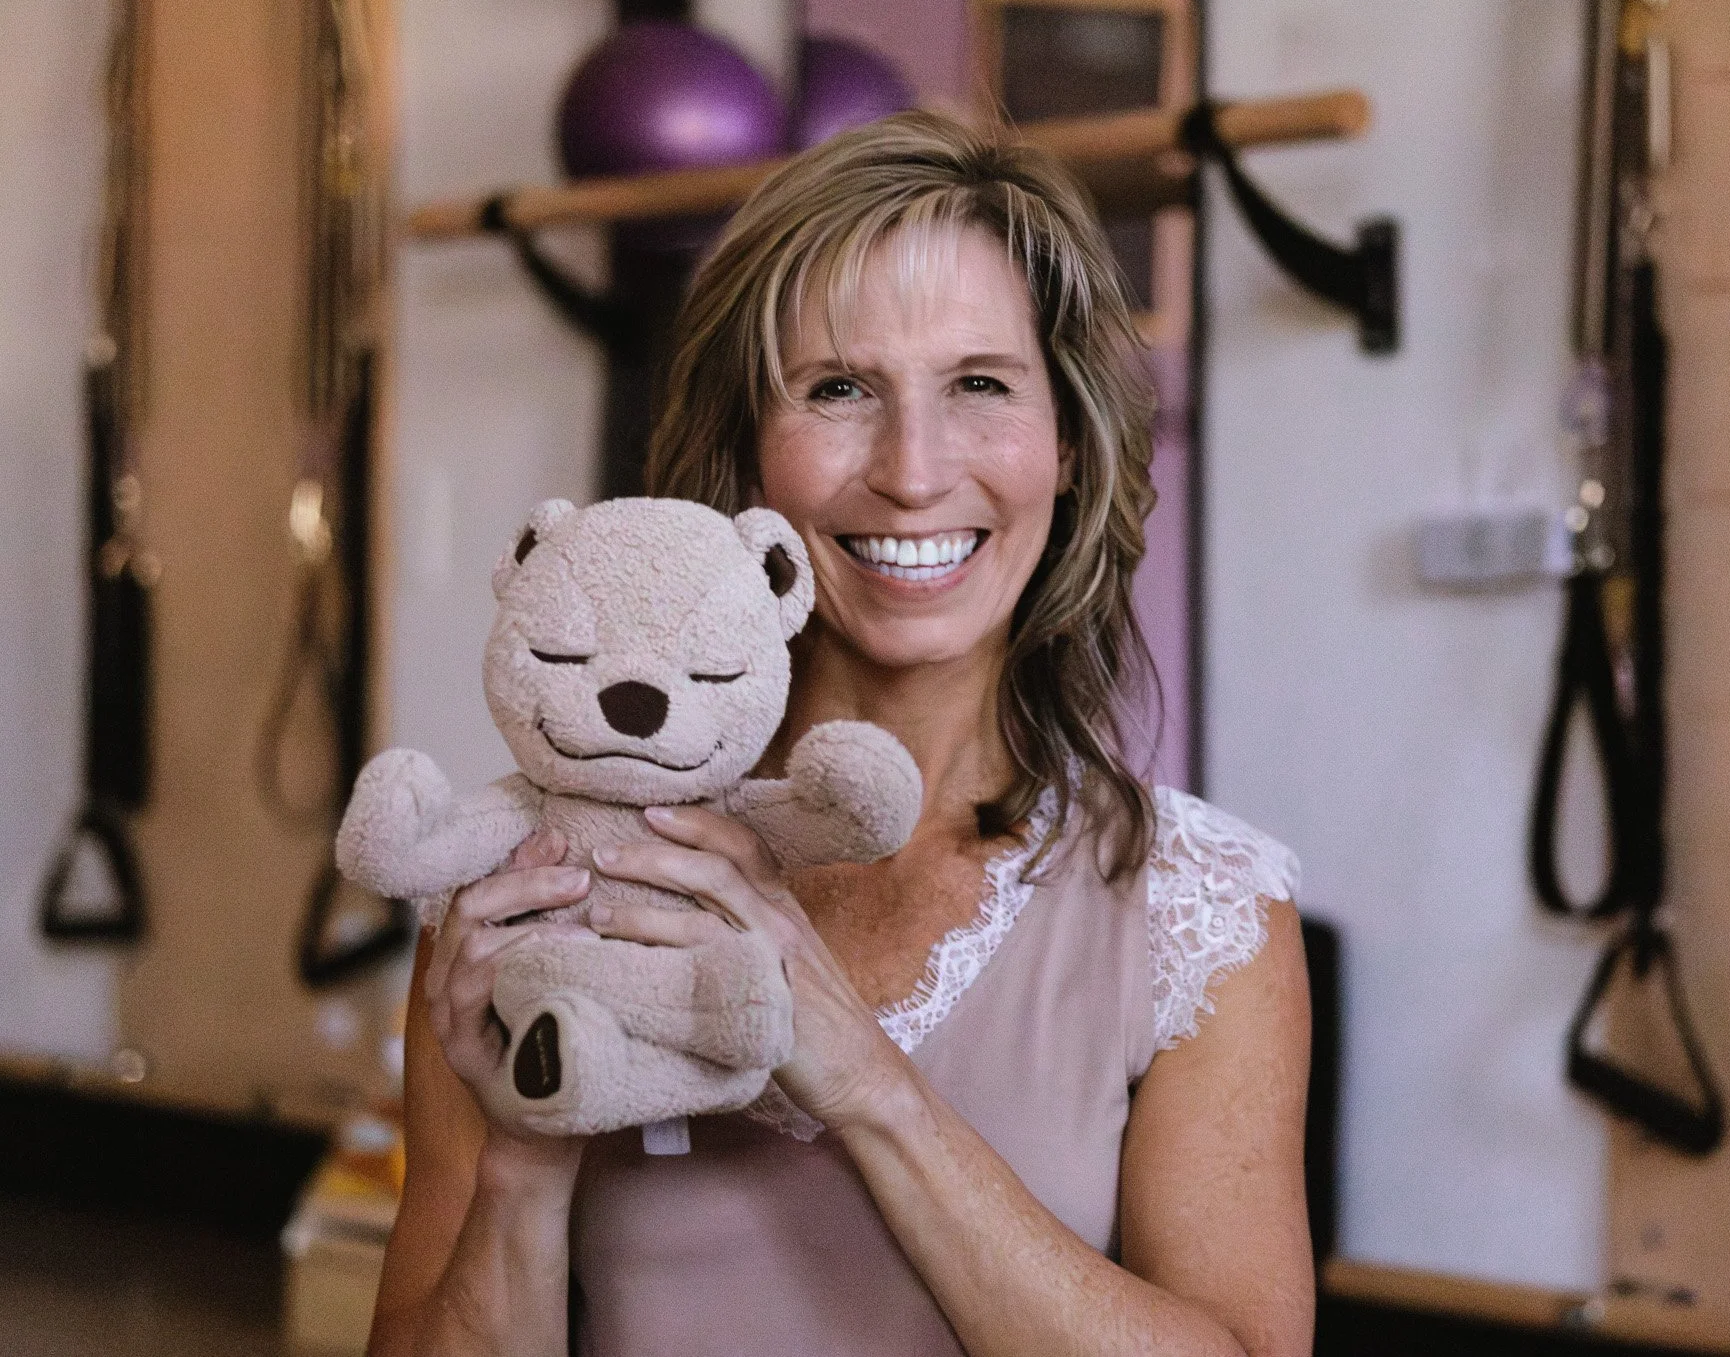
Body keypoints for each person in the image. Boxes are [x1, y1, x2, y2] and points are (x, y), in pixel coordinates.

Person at [369, 111, 1314, 1357]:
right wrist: (522, 1157)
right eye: (837, 390)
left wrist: (863, 1080)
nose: (912, 472)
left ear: (1069, 447)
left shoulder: (1207, 915)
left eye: (979, 384)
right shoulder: (526, 883)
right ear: (746, 456)